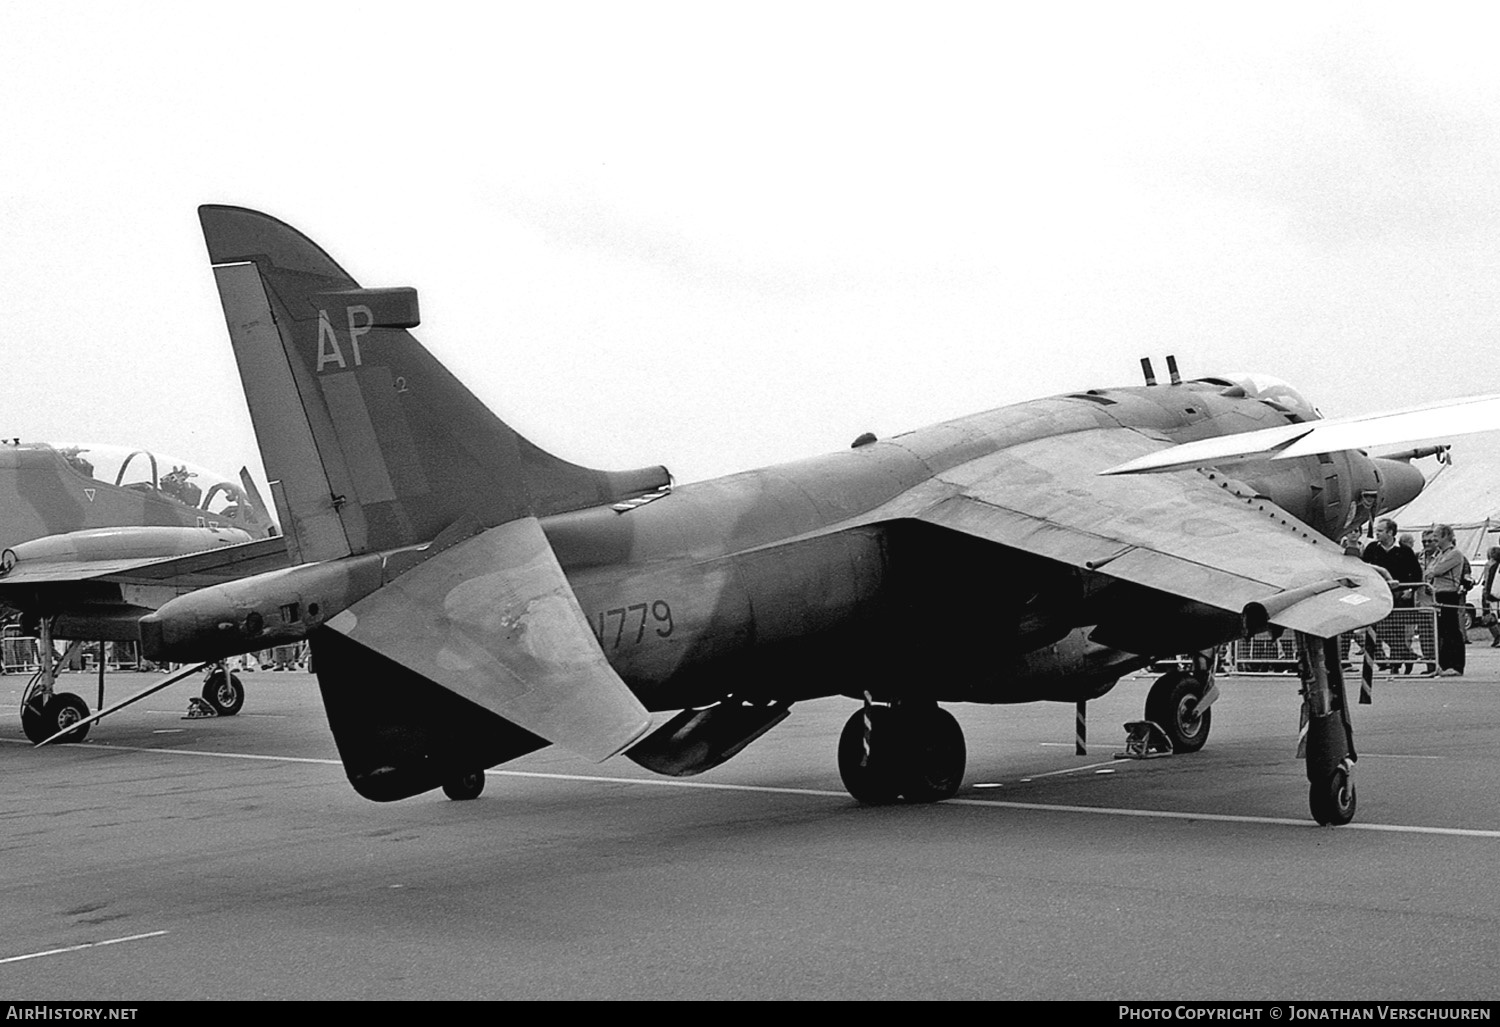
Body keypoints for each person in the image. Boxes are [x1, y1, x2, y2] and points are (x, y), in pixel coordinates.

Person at [1362, 519, 1423, 672]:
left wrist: (1410, 590)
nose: (1377, 533)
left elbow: (1416, 573)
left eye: (1381, 530)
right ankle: (1408, 655)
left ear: (1390, 532)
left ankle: (1396, 665)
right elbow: (1363, 569)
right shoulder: (1371, 549)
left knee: (1398, 630)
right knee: (1381, 627)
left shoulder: (1404, 551)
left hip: (1399, 596)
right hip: (1379, 595)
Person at [1425, 524, 1467, 676]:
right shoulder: (1440, 554)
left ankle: (1456, 665)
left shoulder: (1454, 554)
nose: (1433, 539)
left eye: (1436, 536)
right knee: (1442, 631)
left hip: (1449, 594)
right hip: (1438, 594)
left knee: (1451, 630)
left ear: (1445, 536)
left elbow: (1435, 571)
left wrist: (1431, 572)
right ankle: (1443, 664)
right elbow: (1427, 571)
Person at [1481, 546, 1500, 647]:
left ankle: (1498, 637)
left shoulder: (1490, 565)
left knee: (1491, 616)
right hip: (1495, 593)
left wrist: (1486, 594)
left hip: (1491, 594)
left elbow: (1488, 581)